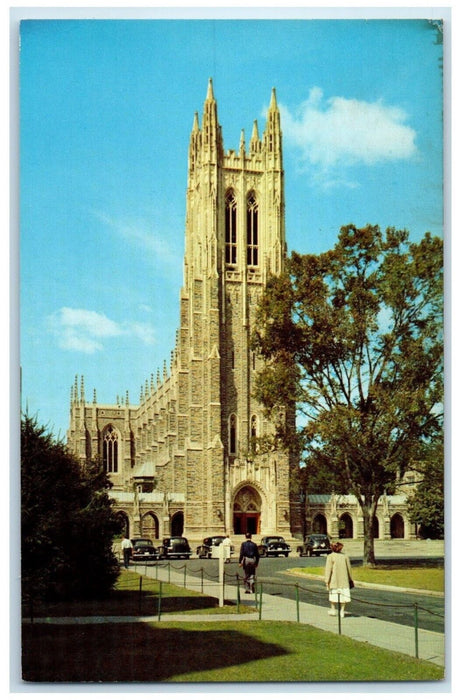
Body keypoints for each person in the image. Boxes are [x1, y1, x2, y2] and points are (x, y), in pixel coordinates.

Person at [324, 541, 354, 618]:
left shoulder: (330, 556)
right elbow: (349, 569)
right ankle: (342, 611)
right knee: (343, 596)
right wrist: (350, 579)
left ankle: (333, 609)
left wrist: (327, 580)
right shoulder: (345, 556)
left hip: (334, 580)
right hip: (344, 580)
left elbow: (328, 570)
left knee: (333, 595)